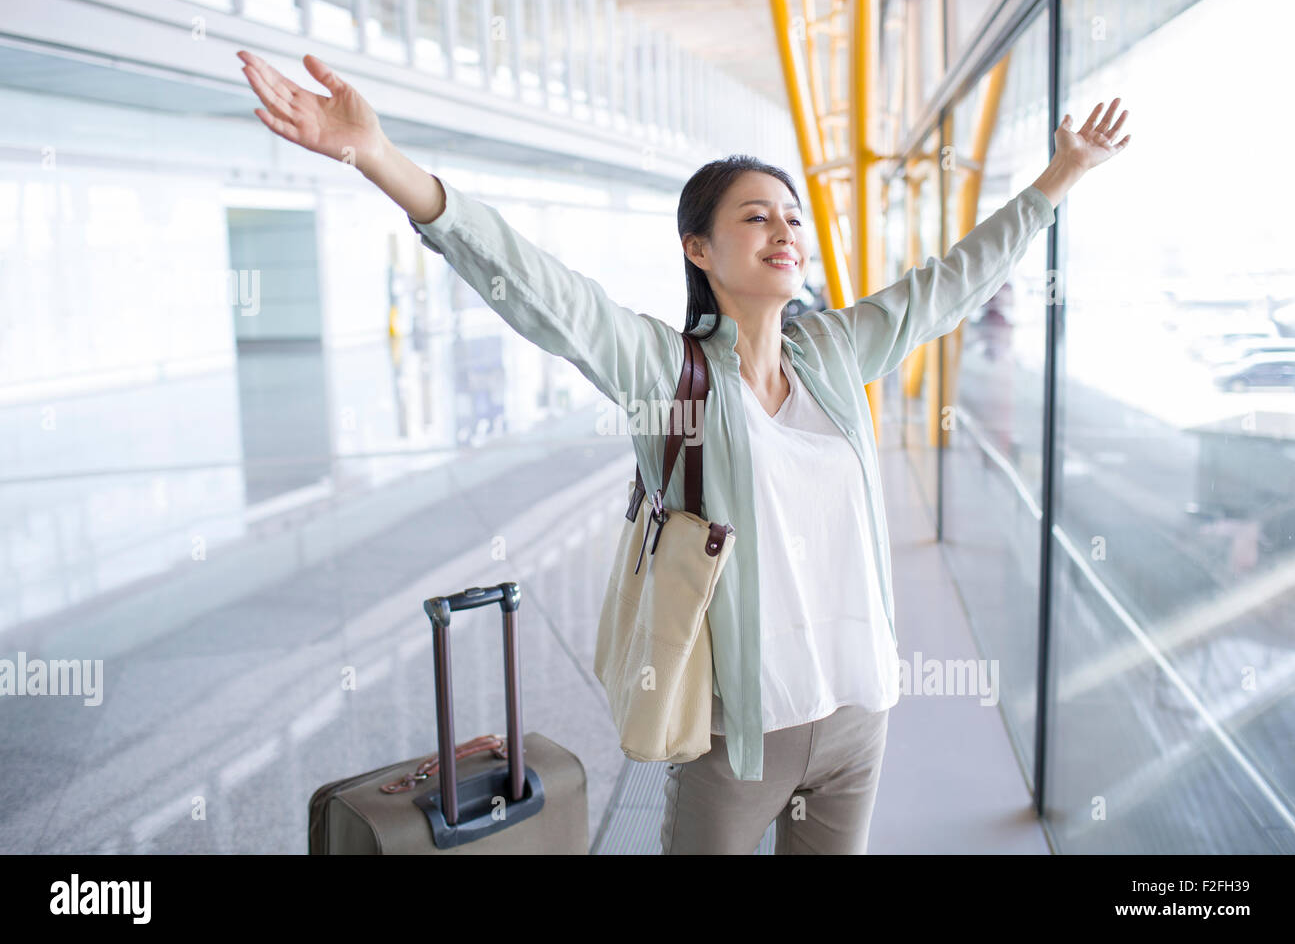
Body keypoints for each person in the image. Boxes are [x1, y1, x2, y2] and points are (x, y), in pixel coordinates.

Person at [236, 50, 1131, 854]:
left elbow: (952, 283)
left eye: (790, 215)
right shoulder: (667, 373)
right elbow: (545, 292)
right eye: (755, 218)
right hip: (739, 737)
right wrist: (382, 159)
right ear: (699, 249)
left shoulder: (835, 353)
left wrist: (1062, 175)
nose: (785, 231)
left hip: (861, 717)